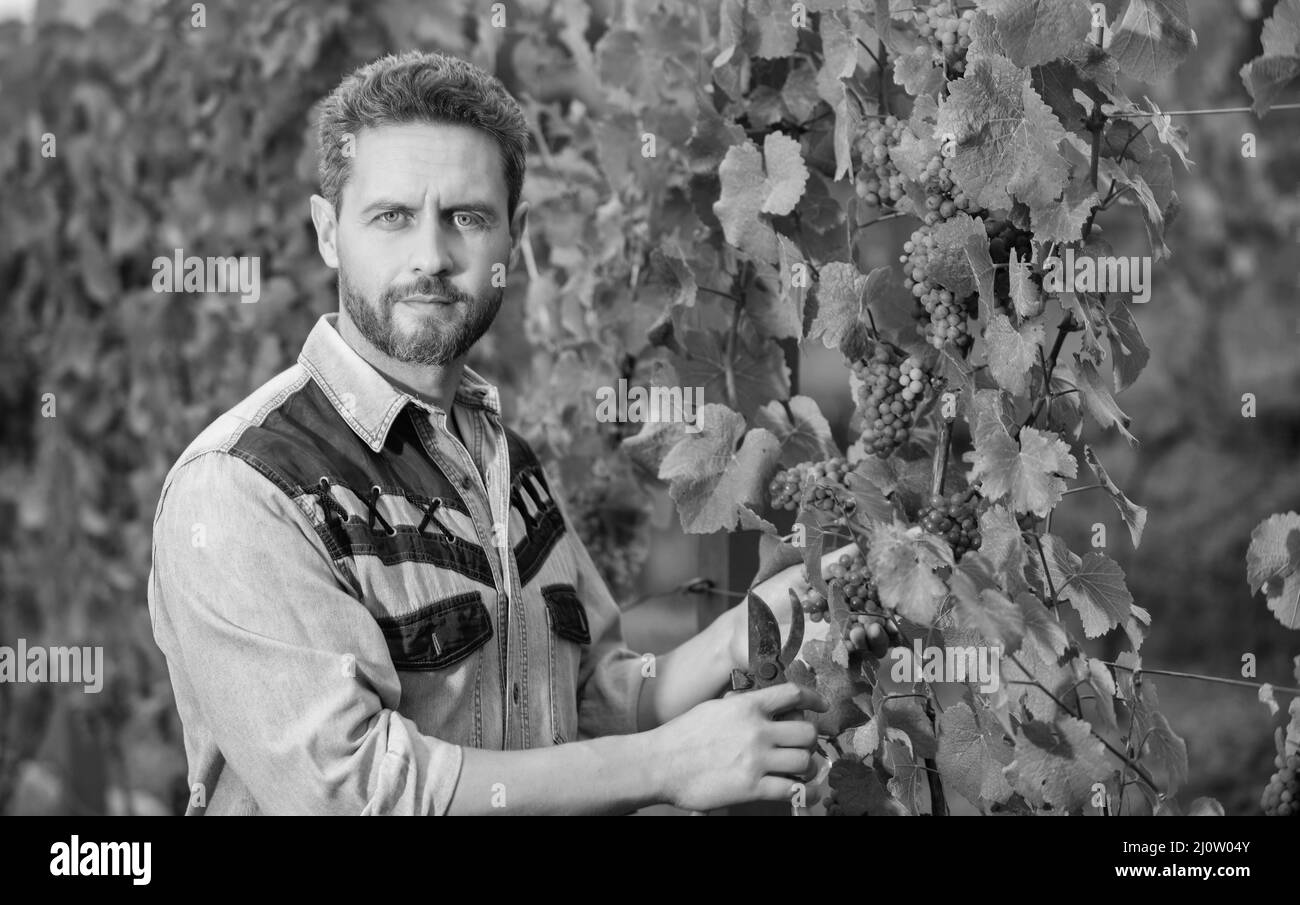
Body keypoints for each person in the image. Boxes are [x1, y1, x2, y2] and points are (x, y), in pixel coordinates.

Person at [147, 50, 825, 815]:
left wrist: (741, 632)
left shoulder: (501, 456)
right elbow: (358, 791)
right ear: (328, 231)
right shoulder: (244, 486)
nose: (431, 257)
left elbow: (580, 702)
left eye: (466, 218)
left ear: (513, 237)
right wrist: (665, 763)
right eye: (393, 217)